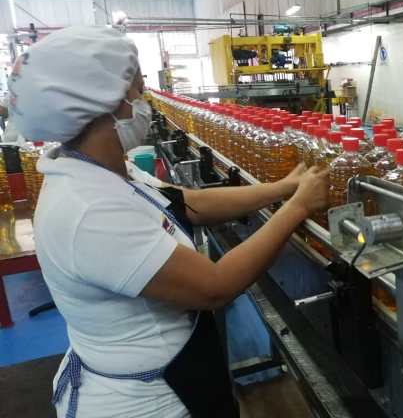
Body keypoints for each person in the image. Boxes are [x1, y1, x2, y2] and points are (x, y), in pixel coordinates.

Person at [8, 26, 329, 418]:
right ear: (103, 104)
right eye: (135, 89)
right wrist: (297, 208)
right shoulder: (88, 210)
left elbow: (187, 203)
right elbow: (215, 286)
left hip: (180, 371)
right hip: (148, 401)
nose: (143, 99)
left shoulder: (101, 170)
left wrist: (281, 188)